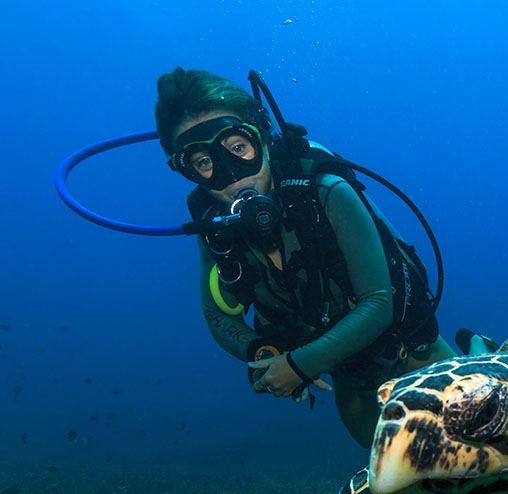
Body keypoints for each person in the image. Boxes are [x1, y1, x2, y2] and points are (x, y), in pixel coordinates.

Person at [154, 68, 465, 448]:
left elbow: (379, 302)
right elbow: (216, 314)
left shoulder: (327, 192)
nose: (231, 175)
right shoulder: (213, 226)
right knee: (394, 462)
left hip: (410, 347)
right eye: (204, 162)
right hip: (350, 376)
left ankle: (480, 349)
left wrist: (299, 365)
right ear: (186, 169)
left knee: (480, 428)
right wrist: (261, 352)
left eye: (238, 148)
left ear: (262, 137)